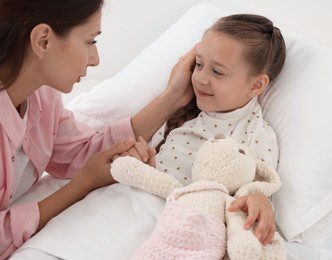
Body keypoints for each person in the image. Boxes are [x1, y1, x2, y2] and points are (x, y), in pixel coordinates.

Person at [0, 0, 195, 258]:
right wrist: (82, 185)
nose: (95, 60)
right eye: (90, 41)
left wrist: (172, 98)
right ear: (43, 40)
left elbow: (81, 152)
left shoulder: (42, 94)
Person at [115, 12, 286, 250]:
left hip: (187, 223)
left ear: (256, 85)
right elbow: (152, 162)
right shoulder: (183, 112)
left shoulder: (256, 133)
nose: (201, 79)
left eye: (217, 72)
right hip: (136, 204)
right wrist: (143, 159)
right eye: (199, 64)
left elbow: (259, 190)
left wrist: (259, 201)